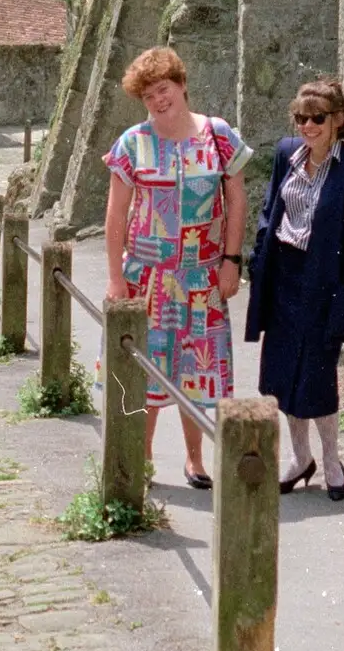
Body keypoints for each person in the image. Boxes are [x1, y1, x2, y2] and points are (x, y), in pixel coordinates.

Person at [104, 47, 251, 488]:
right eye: (148, 95)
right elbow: (116, 216)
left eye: (163, 89)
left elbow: (237, 200)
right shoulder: (132, 143)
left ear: (182, 85)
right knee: (144, 370)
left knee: (196, 372)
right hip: (148, 279)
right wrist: (115, 278)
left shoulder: (219, 135)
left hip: (202, 278)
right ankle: (142, 457)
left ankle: (194, 460)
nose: (157, 100)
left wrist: (231, 261)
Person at [245, 79, 344, 503]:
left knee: (319, 376)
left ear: (338, 120)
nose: (308, 126)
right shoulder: (288, 153)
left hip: (324, 282)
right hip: (284, 275)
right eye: (301, 118)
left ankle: (331, 461)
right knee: (282, 372)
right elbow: (272, 208)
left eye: (317, 118)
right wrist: (258, 254)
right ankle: (299, 458)